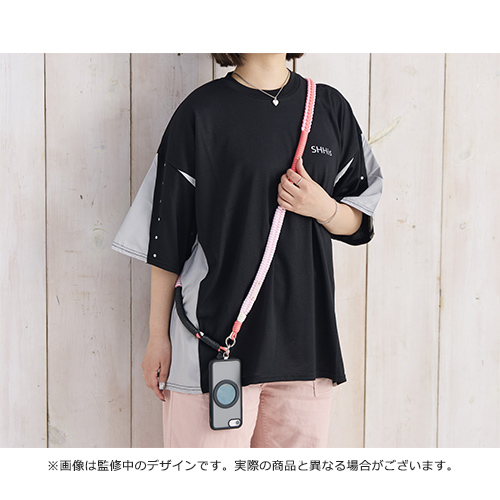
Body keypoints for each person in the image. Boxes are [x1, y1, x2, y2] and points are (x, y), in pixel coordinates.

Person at [112, 53, 383, 447]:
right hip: (213, 346)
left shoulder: (329, 107)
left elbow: (360, 219)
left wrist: (323, 207)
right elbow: (167, 237)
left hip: (307, 349)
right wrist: (158, 336)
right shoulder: (201, 112)